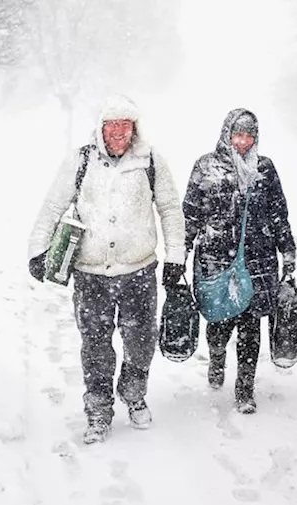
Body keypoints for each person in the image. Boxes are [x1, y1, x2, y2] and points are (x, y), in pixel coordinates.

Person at [28, 94, 187, 444]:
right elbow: (53, 204)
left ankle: (133, 393)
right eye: (112, 124)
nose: (118, 132)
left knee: (141, 342)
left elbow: (171, 210)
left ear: (134, 128)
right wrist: (38, 250)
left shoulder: (151, 161)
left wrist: (176, 256)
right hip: (91, 276)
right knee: (96, 346)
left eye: (125, 125)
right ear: (102, 128)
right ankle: (98, 409)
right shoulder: (81, 160)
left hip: (139, 273)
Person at [182, 108, 296, 414]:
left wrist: (288, 252)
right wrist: (178, 255)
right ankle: (217, 357)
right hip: (216, 262)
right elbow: (190, 215)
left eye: (249, 136)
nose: (243, 142)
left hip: (258, 262)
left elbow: (278, 215)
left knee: (250, 327)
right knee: (219, 323)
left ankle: (245, 388)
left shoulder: (265, 169)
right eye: (237, 135)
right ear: (226, 134)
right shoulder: (205, 167)